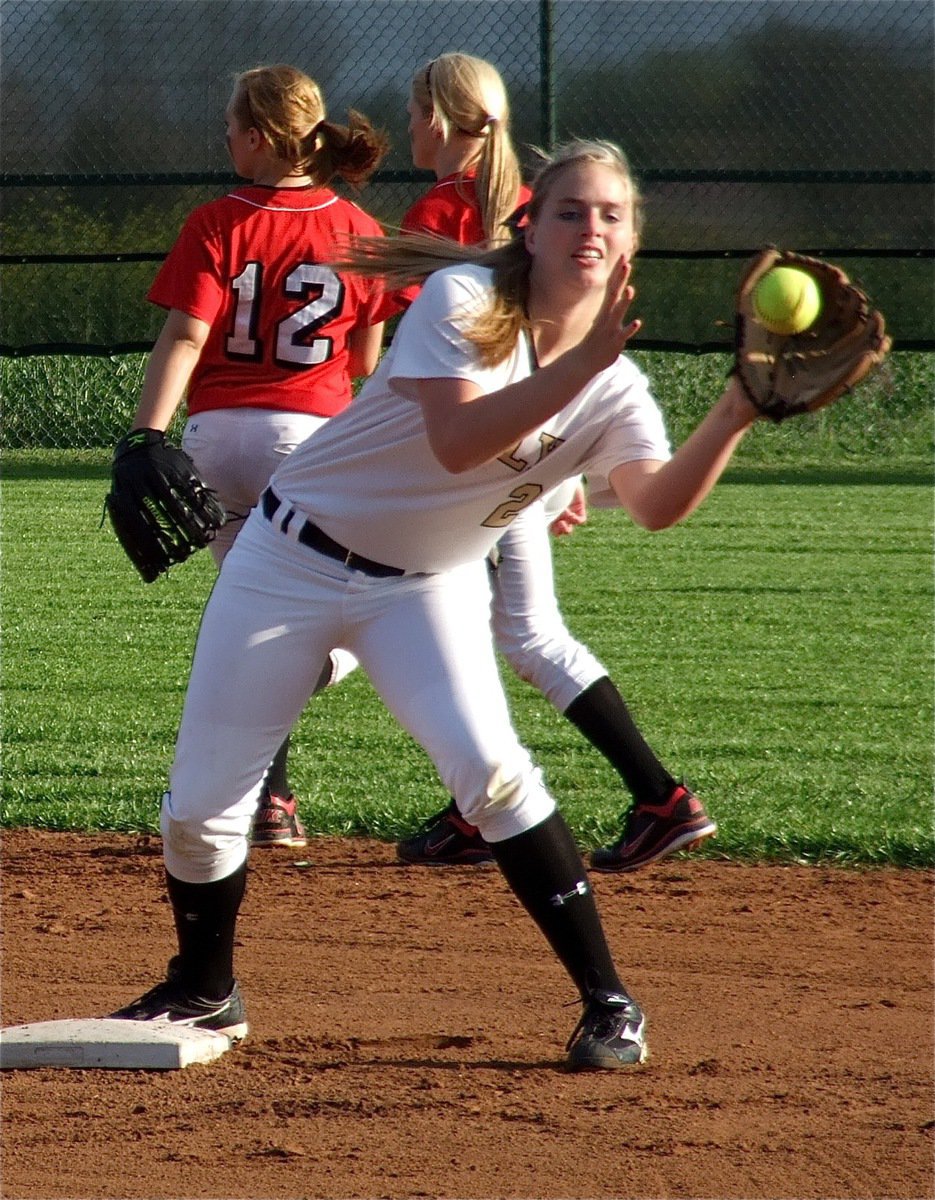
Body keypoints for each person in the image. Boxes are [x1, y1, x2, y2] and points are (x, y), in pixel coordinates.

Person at [109, 137, 763, 1070]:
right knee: (201, 810)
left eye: (611, 215)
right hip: (285, 564)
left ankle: (608, 1003)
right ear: (529, 226)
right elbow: (458, 441)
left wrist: (734, 412)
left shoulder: (616, 388)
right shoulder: (465, 302)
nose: (591, 227)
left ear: (631, 246)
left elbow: (656, 505)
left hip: (426, 592)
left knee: (493, 775)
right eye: (570, 210)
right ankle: (204, 988)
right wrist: (579, 378)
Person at [391, 53, 714, 870]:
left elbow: (461, 386)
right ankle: (497, 800)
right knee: (502, 630)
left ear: (437, 119)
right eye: (575, 215)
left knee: (498, 630)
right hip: (508, 461)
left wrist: (553, 469)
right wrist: (556, 469)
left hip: (457, 475)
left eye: (415, 109)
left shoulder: (451, 206)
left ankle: (635, 795)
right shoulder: (500, 198)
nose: (587, 230)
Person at [123, 64, 391, 848]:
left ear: (260, 138)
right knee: (361, 617)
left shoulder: (215, 221)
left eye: (232, 126)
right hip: (306, 443)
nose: (225, 138)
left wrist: (146, 433)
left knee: (254, 618)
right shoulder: (359, 229)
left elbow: (185, 336)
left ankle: (267, 800)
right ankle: (295, 717)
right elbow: (366, 359)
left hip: (213, 444)